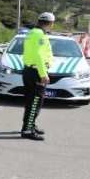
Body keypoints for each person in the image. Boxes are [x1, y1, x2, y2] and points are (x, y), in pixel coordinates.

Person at [21, 12, 56, 141]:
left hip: (29, 70)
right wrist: (43, 74)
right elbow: (39, 55)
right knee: (36, 102)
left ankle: (30, 125)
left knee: (31, 101)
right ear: (51, 23)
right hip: (36, 72)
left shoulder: (31, 33)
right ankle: (27, 130)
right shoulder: (40, 35)